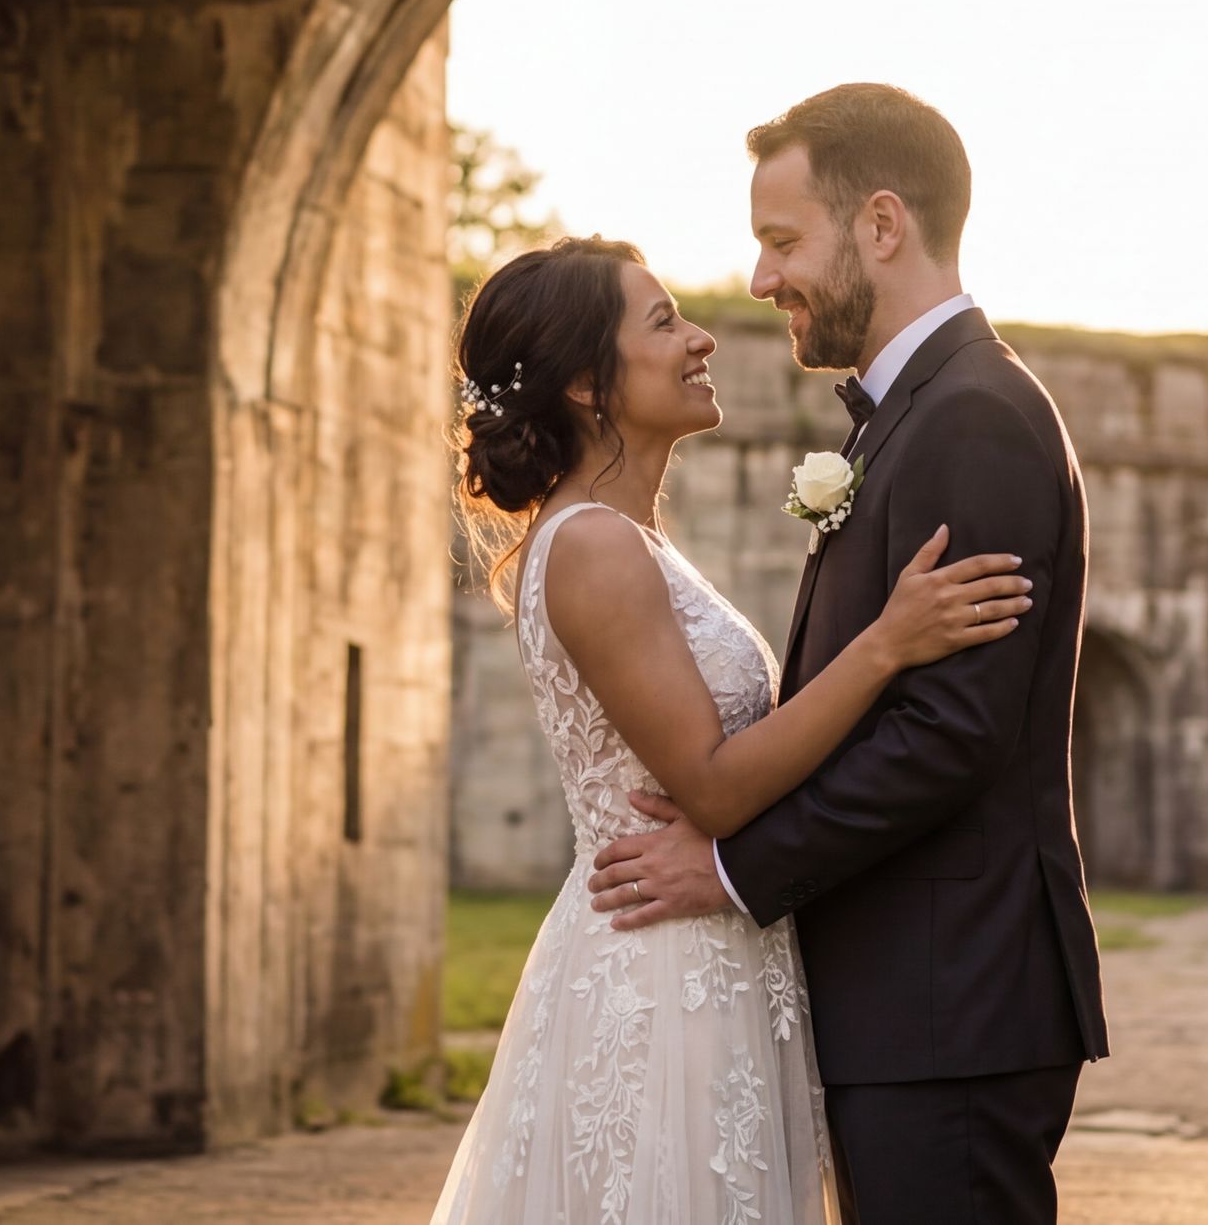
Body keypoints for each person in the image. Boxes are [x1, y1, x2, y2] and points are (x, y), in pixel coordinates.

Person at [429, 233, 1038, 1225]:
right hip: (661, 971)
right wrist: (886, 645)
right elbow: (710, 788)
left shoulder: (628, 541)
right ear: (587, 382)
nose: (701, 337)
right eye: (664, 322)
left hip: (708, 952)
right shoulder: (590, 547)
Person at [586, 84, 1109, 1225]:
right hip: (916, 995)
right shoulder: (917, 412)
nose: (764, 280)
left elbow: (952, 733)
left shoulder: (972, 415)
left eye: (783, 242)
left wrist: (730, 873)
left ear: (882, 226)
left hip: (951, 995)